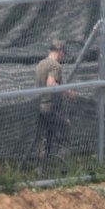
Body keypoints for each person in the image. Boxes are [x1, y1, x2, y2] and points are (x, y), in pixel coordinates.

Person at [34, 38, 72, 173]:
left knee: (44, 139)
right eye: (64, 53)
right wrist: (66, 91)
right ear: (60, 52)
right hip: (51, 107)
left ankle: (40, 170)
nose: (63, 56)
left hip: (40, 106)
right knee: (65, 127)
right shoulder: (55, 66)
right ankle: (62, 164)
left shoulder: (41, 64)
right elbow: (51, 84)